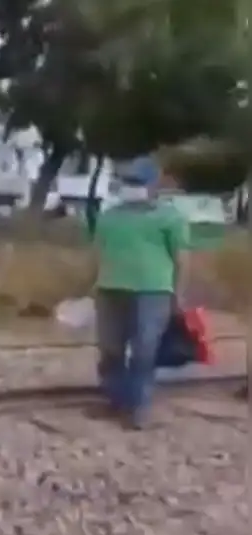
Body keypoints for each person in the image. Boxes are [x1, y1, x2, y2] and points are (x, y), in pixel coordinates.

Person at [92, 159, 190, 429]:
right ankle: (116, 400)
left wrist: (178, 296)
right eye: (128, 182)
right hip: (110, 289)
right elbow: (98, 253)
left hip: (154, 291)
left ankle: (139, 407)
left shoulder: (169, 217)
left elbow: (181, 258)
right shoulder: (109, 216)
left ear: (152, 185)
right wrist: (93, 286)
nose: (130, 188)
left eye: (137, 182)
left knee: (144, 350)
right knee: (110, 349)